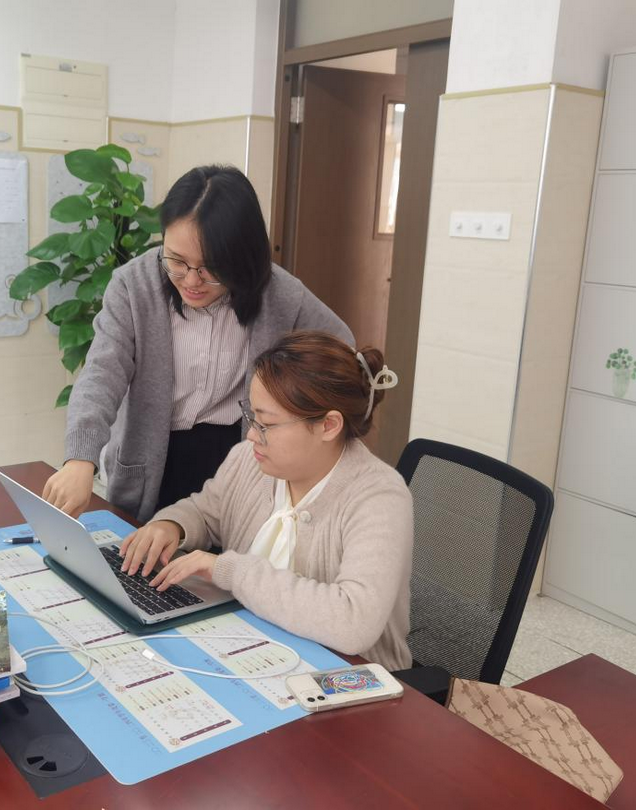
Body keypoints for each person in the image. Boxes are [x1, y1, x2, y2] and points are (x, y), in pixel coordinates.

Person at [42, 166, 352, 523]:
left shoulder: (280, 294)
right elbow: (102, 373)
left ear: (243, 258)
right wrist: (80, 460)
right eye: (176, 261)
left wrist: (299, 419)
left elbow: (343, 350)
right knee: (143, 551)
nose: (190, 280)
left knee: (227, 555)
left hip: (240, 457)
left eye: (210, 268)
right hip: (154, 458)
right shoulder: (133, 286)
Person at [117, 331, 414, 671]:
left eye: (267, 424)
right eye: (252, 417)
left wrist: (228, 571)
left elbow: (353, 622)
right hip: (251, 653)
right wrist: (172, 526)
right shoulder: (249, 459)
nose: (251, 435)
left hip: (349, 680)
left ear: (329, 425)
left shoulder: (378, 497)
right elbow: (205, 512)